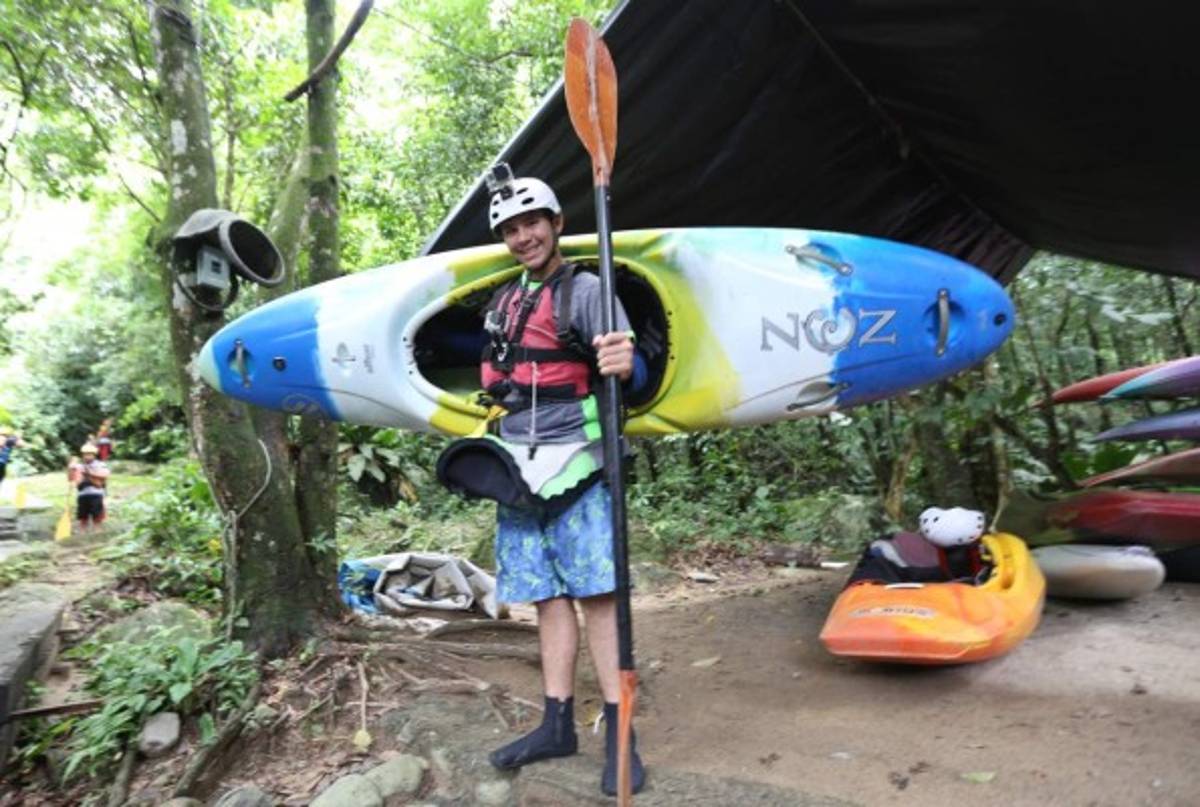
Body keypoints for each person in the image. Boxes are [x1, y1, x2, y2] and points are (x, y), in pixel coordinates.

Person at [462, 170, 648, 795]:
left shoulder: (589, 290)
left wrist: (629, 363)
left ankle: (622, 737)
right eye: (511, 230)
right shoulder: (503, 302)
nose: (523, 237)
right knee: (545, 598)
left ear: (556, 224)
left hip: (581, 462)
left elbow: (637, 374)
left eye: (531, 223)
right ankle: (556, 723)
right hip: (519, 466)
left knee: (598, 598)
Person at [69, 443, 110, 531]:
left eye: (89, 454)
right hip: (82, 495)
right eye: (85, 454)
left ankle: (97, 533)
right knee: (83, 519)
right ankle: (82, 534)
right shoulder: (79, 466)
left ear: (94, 455)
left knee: (97, 518)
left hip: (96, 495)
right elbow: (71, 478)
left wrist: (89, 473)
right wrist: (70, 468)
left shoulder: (100, 465)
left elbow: (105, 475)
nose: (86, 456)